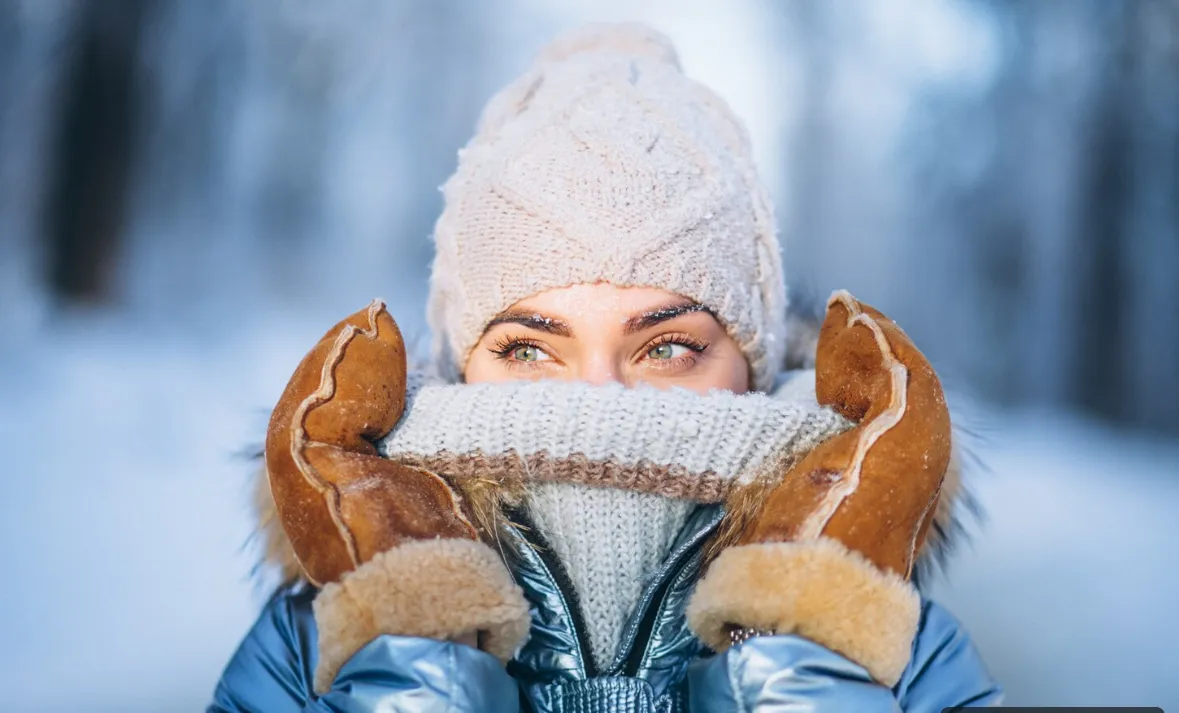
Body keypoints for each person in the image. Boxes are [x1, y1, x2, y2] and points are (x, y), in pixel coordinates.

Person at [209, 23, 1002, 712]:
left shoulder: (889, 647)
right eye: (528, 348)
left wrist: (810, 657)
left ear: (752, 367)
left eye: (665, 348)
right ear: (458, 362)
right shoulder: (318, 643)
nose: (597, 401)